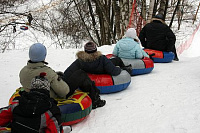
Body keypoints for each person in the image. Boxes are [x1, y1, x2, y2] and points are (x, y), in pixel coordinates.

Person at [19, 43, 105, 109]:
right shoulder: (47, 72)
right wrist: (58, 79)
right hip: (54, 96)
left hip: (35, 93)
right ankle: (95, 99)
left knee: (65, 74)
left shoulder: (23, 71)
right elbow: (64, 91)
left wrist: (57, 76)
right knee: (80, 74)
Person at [0, 73, 68, 133]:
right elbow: (54, 130)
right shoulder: (51, 110)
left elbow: (2, 117)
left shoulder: (17, 103)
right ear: (47, 89)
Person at [63, 41, 132, 78]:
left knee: (112, 61)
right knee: (117, 60)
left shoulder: (80, 61)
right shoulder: (102, 59)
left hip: (91, 72)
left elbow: (69, 72)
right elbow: (114, 71)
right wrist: (120, 69)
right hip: (103, 72)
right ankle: (125, 68)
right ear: (95, 50)